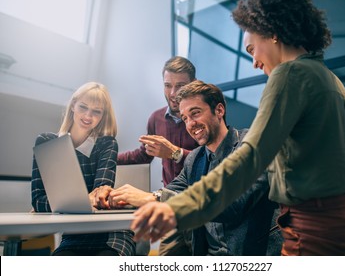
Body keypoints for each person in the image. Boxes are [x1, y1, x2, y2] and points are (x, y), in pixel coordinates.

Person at [130, 0, 345, 256]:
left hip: (318, 228)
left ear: (271, 32)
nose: (254, 62)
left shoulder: (289, 74)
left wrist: (175, 209)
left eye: (251, 49)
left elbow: (251, 157)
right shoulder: (330, 79)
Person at [108, 80, 281, 255]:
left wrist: (154, 199)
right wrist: (122, 196)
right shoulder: (194, 159)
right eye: (185, 118)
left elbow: (233, 206)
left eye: (195, 113)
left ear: (219, 110)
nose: (190, 124)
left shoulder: (251, 144)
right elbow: (172, 190)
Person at [31, 82, 135, 256]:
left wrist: (59, 204)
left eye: (96, 111)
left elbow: (100, 196)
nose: (88, 115)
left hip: (110, 233)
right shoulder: (47, 142)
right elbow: (38, 200)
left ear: (103, 115)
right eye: (83, 107)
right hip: (74, 234)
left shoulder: (106, 144)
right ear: (73, 105)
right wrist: (82, 201)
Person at [117, 56, 199, 187]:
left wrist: (175, 153)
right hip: (167, 197)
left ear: (193, 83)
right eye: (168, 85)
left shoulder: (203, 118)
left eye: (180, 86)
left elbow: (210, 158)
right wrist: (108, 158)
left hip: (199, 198)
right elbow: (143, 155)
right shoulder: (156, 118)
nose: (173, 93)